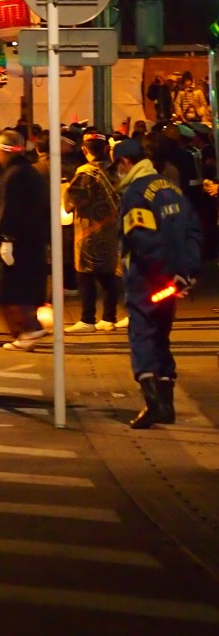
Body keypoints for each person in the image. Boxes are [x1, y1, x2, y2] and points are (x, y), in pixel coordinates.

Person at [115, 133, 202, 428]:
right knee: (162, 338)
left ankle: (153, 404)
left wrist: (163, 273)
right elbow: (193, 232)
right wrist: (186, 273)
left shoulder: (135, 194)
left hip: (147, 280)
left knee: (142, 336)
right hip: (174, 282)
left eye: (118, 165)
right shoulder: (171, 189)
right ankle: (168, 405)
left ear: (126, 162)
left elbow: (142, 238)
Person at [0, 129, 49, 351]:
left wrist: (5, 238)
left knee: (9, 289)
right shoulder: (30, 172)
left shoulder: (13, 175)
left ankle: (29, 328)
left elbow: (8, 210)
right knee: (20, 288)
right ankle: (27, 330)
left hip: (18, 241)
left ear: (4, 151)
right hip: (33, 239)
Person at [64, 129, 121, 333]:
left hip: (88, 231)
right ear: (106, 148)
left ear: (84, 149)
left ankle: (87, 319)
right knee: (108, 275)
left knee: (86, 275)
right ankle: (109, 318)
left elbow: (70, 203)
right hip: (111, 230)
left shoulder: (84, 172)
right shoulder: (116, 171)